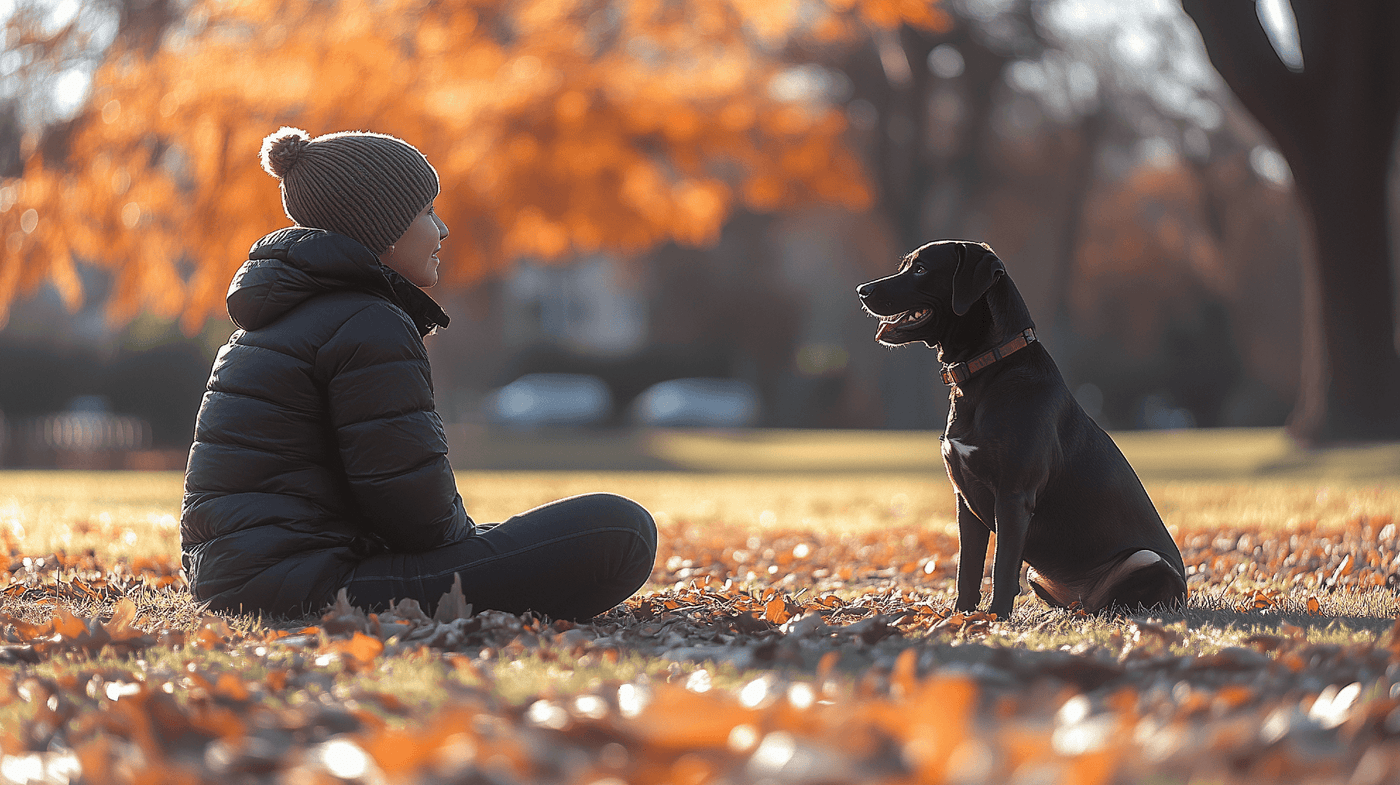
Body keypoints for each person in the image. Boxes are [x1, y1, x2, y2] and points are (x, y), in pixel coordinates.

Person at [180, 127, 657, 619]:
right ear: (380, 230)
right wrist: (478, 550)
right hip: (306, 587)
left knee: (547, 538)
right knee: (620, 531)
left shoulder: (291, 317)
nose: (443, 229)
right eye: (427, 212)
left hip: (248, 578)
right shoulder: (367, 322)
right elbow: (417, 516)